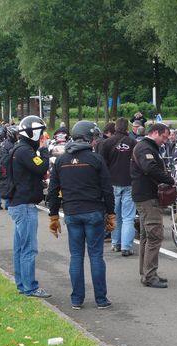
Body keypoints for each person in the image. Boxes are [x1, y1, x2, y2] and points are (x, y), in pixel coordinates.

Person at [47, 120, 115, 309]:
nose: (95, 141)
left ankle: (77, 299)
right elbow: (107, 190)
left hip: (72, 213)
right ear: (88, 138)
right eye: (93, 137)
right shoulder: (96, 159)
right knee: (96, 256)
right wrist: (111, 213)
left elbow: (53, 190)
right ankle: (101, 300)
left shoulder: (61, 160)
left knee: (76, 256)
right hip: (94, 212)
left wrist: (53, 215)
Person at [7, 115, 51, 298]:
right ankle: (30, 287)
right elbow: (41, 167)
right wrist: (44, 150)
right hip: (24, 205)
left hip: (18, 203)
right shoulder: (25, 151)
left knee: (20, 247)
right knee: (28, 248)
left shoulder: (19, 149)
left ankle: (22, 284)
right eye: (41, 133)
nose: (43, 136)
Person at [131, 123, 175, 288]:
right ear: (155, 133)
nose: (164, 141)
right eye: (163, 137)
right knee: (155, 235)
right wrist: (169, 179)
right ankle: (149, 275)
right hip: (147, 196)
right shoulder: (145, 148)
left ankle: (147, 273)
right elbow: (150, 168)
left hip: (143, 195)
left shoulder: (145, 146)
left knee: (146, 236)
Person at [99, 118, 137, 256]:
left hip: (112, 183)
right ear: (127, 127)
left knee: (114, 215)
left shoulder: (107, 143)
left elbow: (101, 164)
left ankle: (116, 243)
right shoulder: (133, 142)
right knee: (128, 217)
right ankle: (126, 246)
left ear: (115, 127)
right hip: (129, 182)